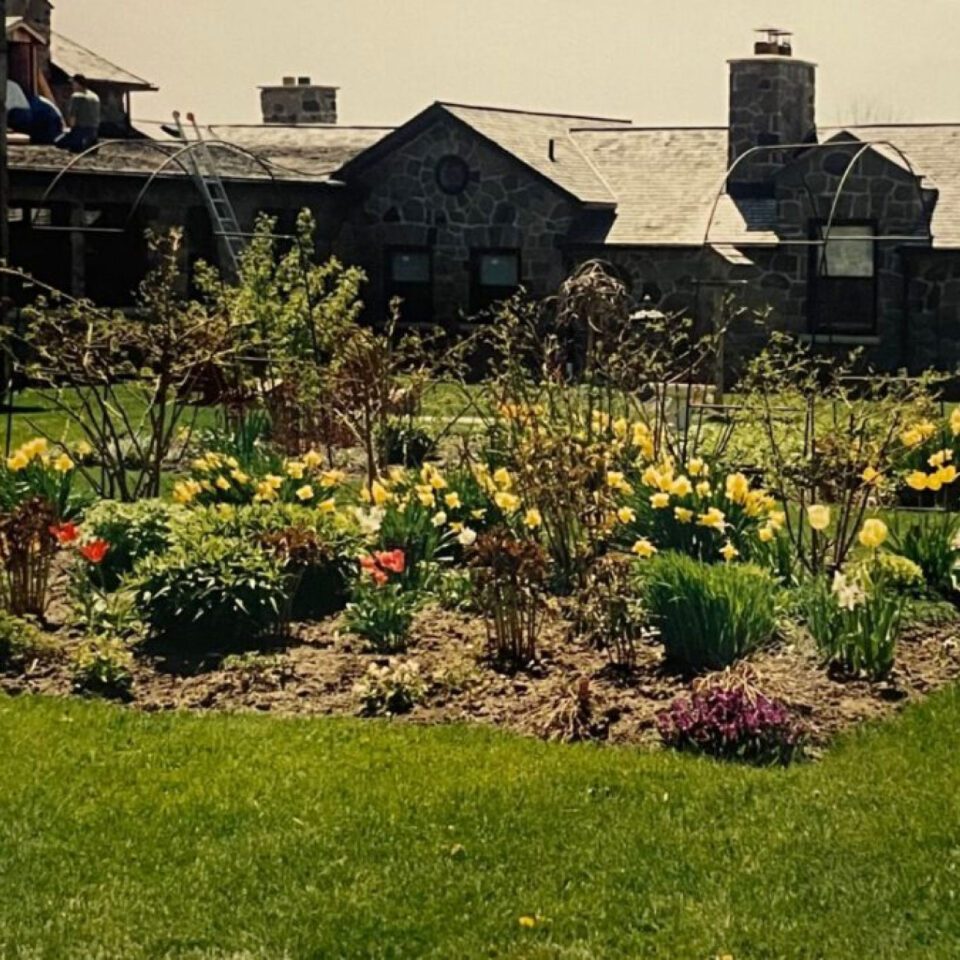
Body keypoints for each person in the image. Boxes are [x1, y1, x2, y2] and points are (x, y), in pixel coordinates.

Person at [59, 74, 100, 153]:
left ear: (77, 84)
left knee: (58, 142)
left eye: (73, 83)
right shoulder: (95, 96)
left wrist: (71, 129)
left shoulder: (76, 96)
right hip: (93, 131)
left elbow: (73, 117)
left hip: (80, 130)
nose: (72, 86)